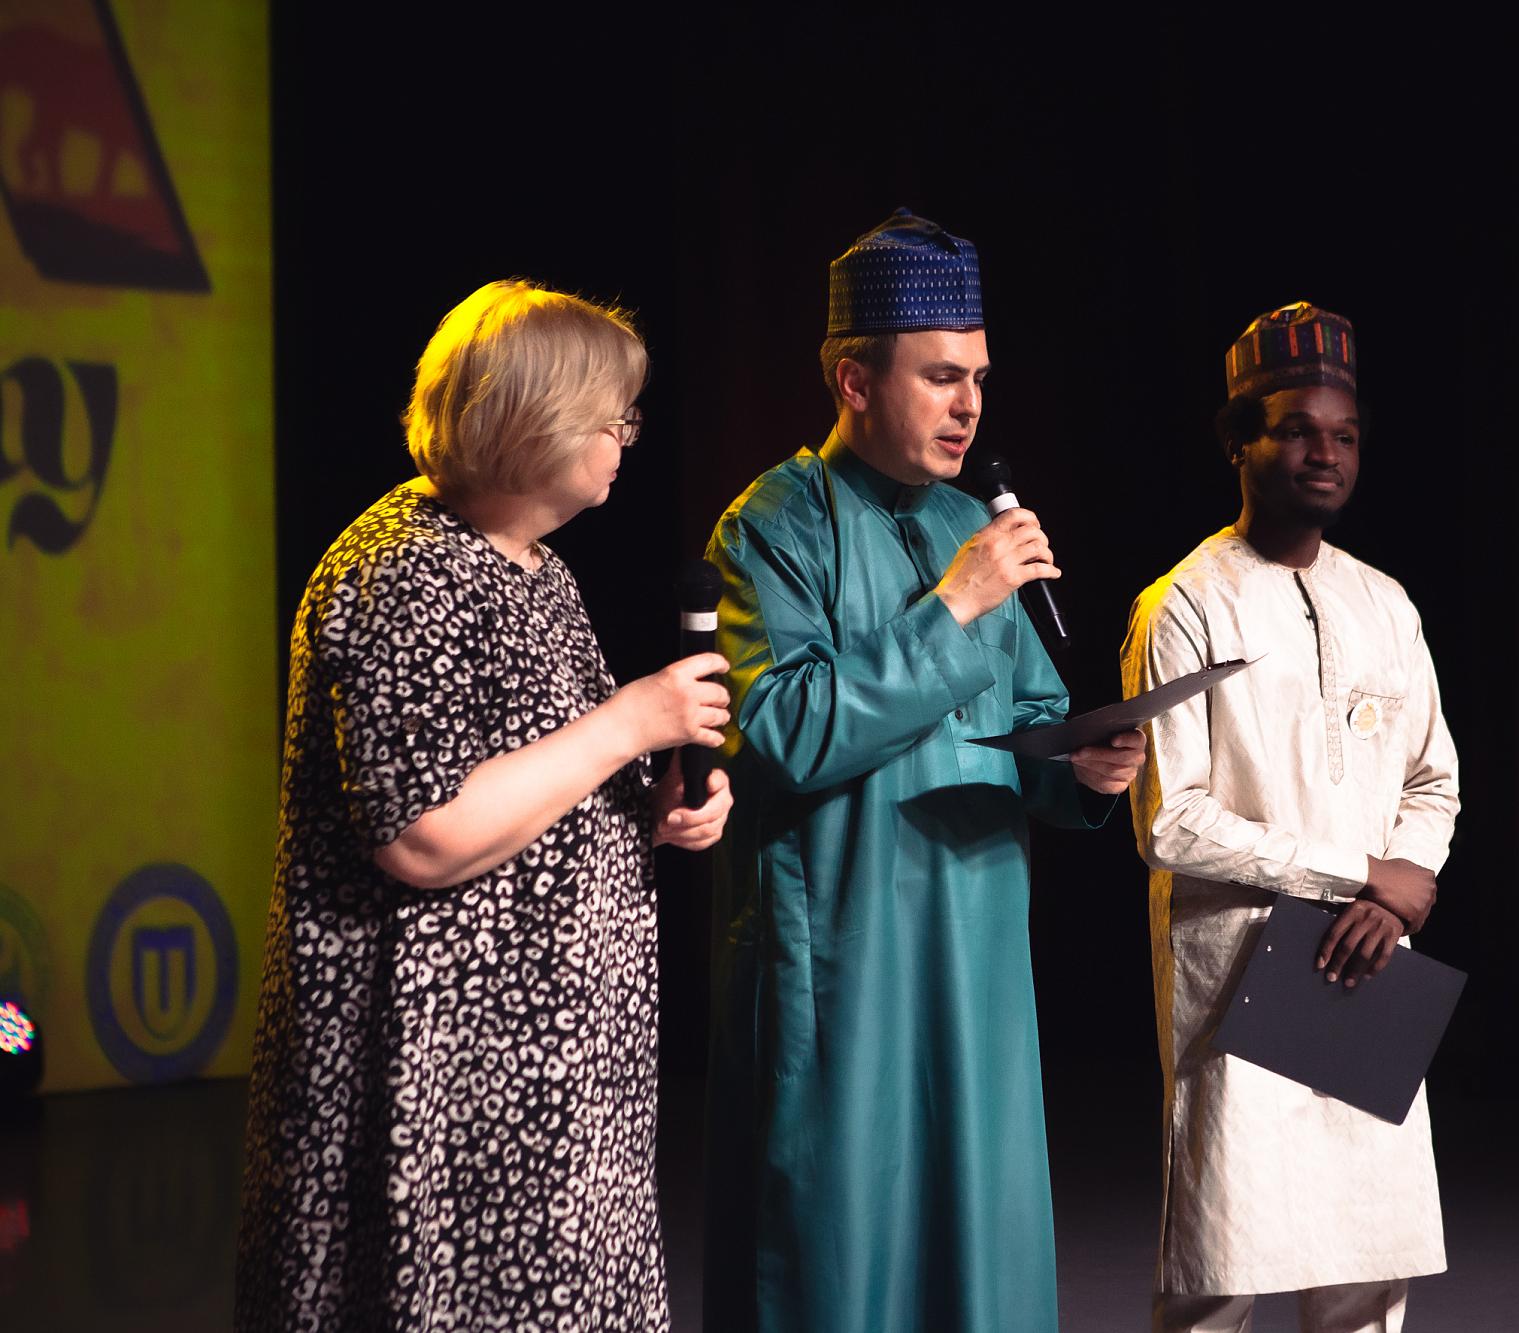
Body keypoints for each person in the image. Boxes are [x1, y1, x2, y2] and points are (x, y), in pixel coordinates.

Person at [236, 280, 733, 1331]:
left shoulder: (537, 572)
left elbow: (542, 784)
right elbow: (421, 834)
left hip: (550, 1082)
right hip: (439, 1085)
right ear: (534, 420)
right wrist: (627, 724)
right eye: (611, 415)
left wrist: (653, 806)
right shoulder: (401, 572)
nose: (626, 437)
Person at [700, 209, 1146, 1333]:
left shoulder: (969, 523)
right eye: (941, 377)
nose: (969, 406)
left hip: (977, 955)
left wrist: (1084, 767)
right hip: (843, 967)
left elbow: (1030, 718)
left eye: (979, 378)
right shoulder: (772, 526)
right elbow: (783, 729)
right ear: (853, 380)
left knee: (980, 1260)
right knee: (838, 1265)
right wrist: (955, 603)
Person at [1119, 302, 1461, 1333]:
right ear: (1239, 441)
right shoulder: (1184, 603)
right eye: (1298, 430)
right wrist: (1357, 873)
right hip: (1238, 968)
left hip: (1364, 958)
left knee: (1367, 1261)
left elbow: (1432, 779)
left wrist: (1391, 900)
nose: (1326, 454)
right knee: (1221, 1259)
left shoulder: (1383, 602)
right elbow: (1169, 822)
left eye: (1344, 435)